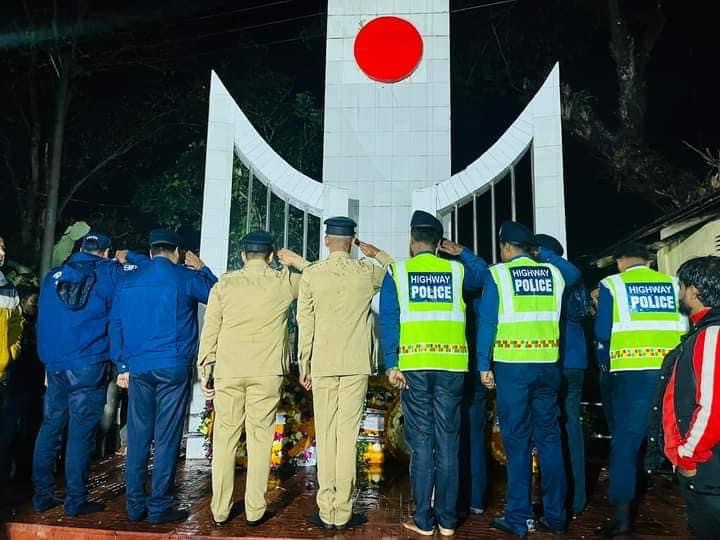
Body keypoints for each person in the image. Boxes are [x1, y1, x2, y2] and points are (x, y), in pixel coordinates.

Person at [379, 211, 492, 536]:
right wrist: (463, 252)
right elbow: (484, 276)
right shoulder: (456, 272)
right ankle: (448, 520)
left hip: (414, 367)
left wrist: (391, 363)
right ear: (438, 244)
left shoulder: (398, 272)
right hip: (453, 368)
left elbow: (389, 320)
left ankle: (424, 520)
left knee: (423, 443)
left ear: (412, 242)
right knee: (448, 442)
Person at [197, 231, 308, 527]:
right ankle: (255, 509)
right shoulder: (282, 282)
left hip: (229, 370)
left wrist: (205, 368)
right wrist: (298, 262)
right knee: (260, 439)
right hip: (267, 371)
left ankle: (220, 509)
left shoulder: (225, 284)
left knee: (224, 439)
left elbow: (211, 328)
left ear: (244, 255)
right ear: (271, 256)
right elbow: (318, 282)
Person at [481, 221, 581, 538]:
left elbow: (488, 323)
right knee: (550, 440)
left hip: (512, 368)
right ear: (530, 248)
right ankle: (556, 516)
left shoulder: (498, 274)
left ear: (506, 247)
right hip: (548, 366)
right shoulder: (553, 273)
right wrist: (545, 254)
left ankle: (520, 518)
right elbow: (574, 273)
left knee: (517, 441)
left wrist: (484, 364)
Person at [110, 229, 217, 524]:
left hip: (139, 366)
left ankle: (134, 507)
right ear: (178, 251)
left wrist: (121, 365)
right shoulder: (183, 277)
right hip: (173, 365)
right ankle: (158, 508)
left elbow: (116, 324)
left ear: (152, 249)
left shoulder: (128, 281)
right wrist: (203, 268)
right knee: (167, 437)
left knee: (138, 436)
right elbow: (217, 294)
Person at [297, 217, 391, 530]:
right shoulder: (366, 272)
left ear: (326, 240)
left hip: (322, 363)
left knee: (326, 434)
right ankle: (343, 511)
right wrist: (376, 253)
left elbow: (305, 322)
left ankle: (326, 511)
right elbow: (396, 273)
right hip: (355, 365)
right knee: (347, 436)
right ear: (352, 241)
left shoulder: (312, 274)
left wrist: (304, 363)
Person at [594, 242, 685, 537]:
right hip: (672, 369)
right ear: (649, 261)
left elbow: (601, 332)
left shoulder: (613, 284)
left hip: (630, 372)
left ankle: (622, 516)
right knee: (678, 434)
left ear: (620, 261)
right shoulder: (673, 283)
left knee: (626, 442)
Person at [33, 232, 126, 516]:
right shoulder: (108, 273)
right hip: (88, 362)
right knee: (81, 431)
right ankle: (76, 500)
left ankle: (41, 495)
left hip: (55, 363)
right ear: (106, 252)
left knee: (50, 427)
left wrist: (47, 362)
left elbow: (42, 319)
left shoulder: (53, 277)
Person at [646, 256, 720, 539]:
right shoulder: (705, 331)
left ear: (694, 291)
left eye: (681, 286)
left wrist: (688, 457)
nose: (678, 294)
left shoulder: (712, 334)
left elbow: (713, 407)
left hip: (709, 471)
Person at [534, 233, 591, 516]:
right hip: (576, 361)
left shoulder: (554, 277)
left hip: (555, 361)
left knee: (549, 432)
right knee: (572, 430)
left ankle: (558, 499)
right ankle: (577, 498)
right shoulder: (573, 282)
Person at [0, 235, 24, 497]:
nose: (1, 253)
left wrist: (11, 351)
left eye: (3, 248)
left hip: (3, 374)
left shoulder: (8, 288)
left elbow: (17, 324)